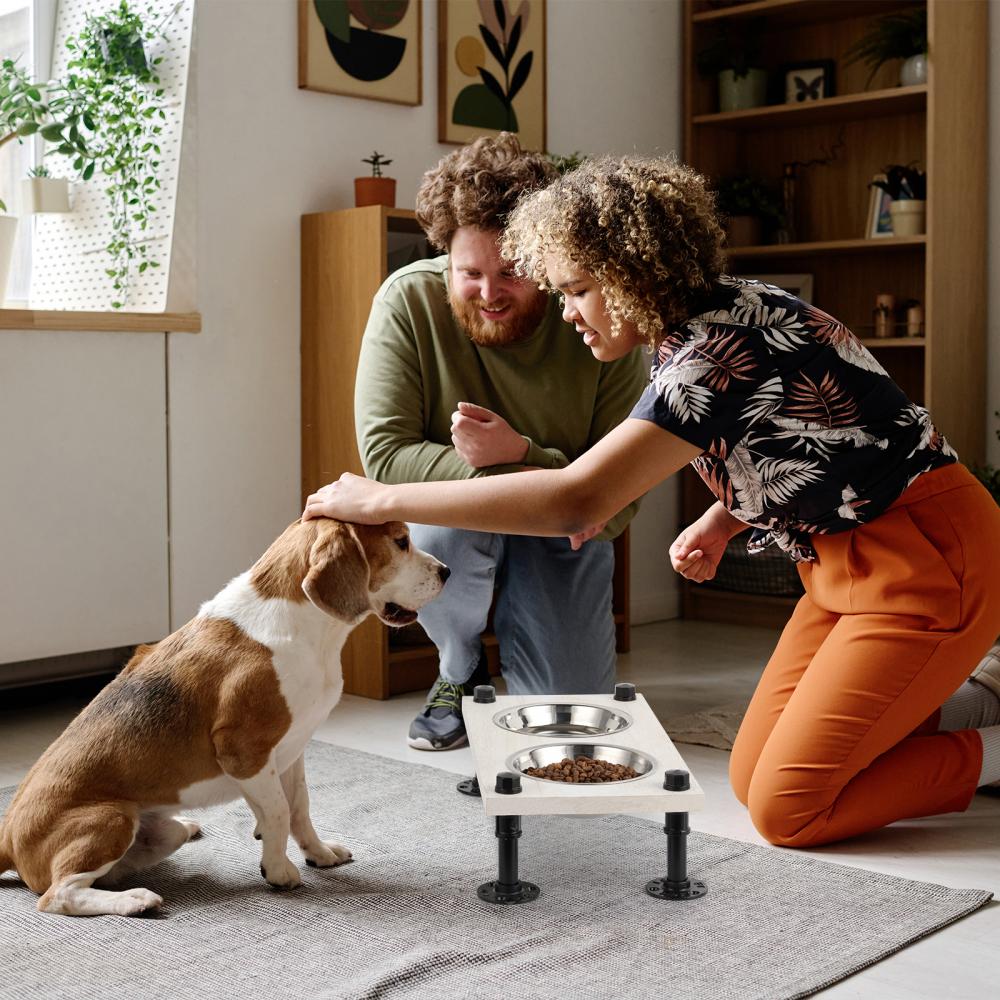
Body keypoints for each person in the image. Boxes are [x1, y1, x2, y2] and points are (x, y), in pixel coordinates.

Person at [306, 154, 1000, 848]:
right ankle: (952, 709)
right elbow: (815, 439)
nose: (569, 312)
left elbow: (580, 501)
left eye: (577, 289)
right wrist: (722, 518)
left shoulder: (707, 355)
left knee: (790, 810)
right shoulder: (712, 316)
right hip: (841, 566)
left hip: (931, 564)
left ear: (631, 275)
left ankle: (993, 754)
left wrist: (379, 498)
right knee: (751, 773)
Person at [353, 135, 648, 752]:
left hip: (563, 528)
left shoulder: (598, 318)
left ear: (543, 260)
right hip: (457, 526)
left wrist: (524, 461)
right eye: (470, 273)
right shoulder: (406, 301)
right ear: (446, 259)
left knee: (572, 730)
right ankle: (458, 670)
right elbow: (385, 459)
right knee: (441, 522)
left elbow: (619, 500)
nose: (489, 293)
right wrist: (520, 481)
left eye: (511, 272)